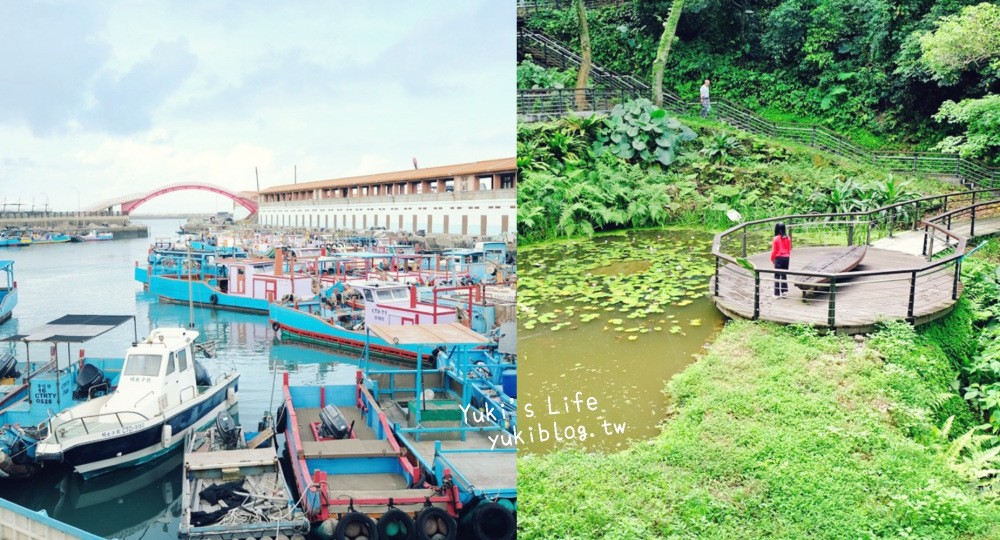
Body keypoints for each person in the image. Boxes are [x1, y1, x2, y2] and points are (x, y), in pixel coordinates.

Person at [771, 222, 792, 297]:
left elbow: (774, 251)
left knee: (777, 275)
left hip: (779, 258)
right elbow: (789, 249)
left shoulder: (776, 239)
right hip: (786, 258)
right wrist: (787, 256)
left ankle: (776, 294)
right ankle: (784, 291)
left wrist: (772, 259)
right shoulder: (788, 238)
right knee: (784, 274)